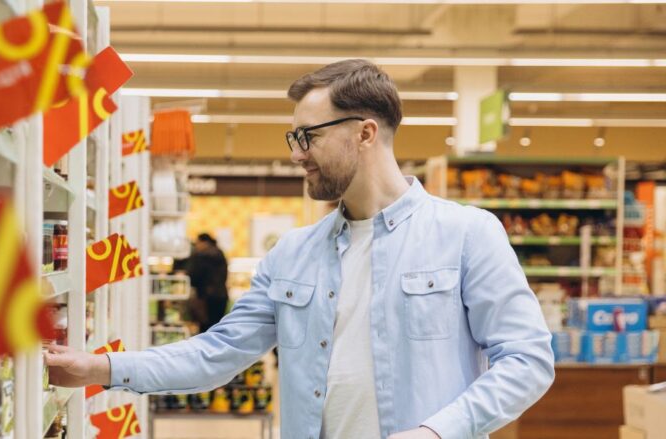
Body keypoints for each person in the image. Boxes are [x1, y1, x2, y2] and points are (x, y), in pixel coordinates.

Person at [44, 59, 554, 439]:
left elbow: (528, 360)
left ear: (365, 133)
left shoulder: (467, 234)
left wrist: (438, 432)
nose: (296, 154)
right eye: (294, 137)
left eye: (307, 136)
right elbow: (217, 354)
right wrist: (98, 369)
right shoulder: (292, 255)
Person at [186, 233, 230, 333]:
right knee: (216, 327)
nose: (196, 246)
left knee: (205, 328)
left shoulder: (202, 255)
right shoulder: (219, 252)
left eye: (197, 243)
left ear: (204, 242)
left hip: (206, 298)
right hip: (221, 296)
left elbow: (194, 275)